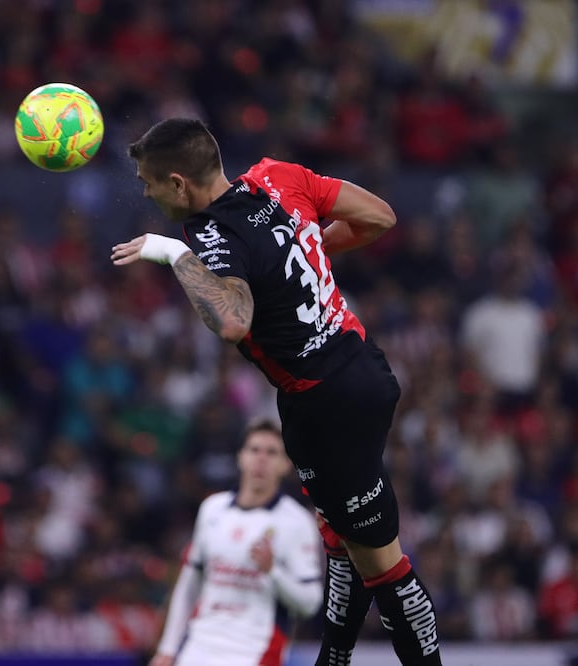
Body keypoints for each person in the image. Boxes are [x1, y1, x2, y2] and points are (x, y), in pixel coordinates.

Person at [113, 118, 443, 665]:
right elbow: (378, 218)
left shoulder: (210, 236)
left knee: (382, 564)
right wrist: (303, 251)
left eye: (149, 183)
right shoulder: (278, 176)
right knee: (340, 539)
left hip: (324, 404)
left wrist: (171, 253)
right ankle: (332, 661)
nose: (145, 193)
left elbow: (234, 323)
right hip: (364, 369)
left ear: (178, 183)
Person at [150, 419, 322, 666]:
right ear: (240, 457)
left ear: (286, 465)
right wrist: (167, 650)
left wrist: (273, 571)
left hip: (254, 650)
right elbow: (189, 584)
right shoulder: (213, 509)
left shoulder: (296, 522)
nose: (261, 459)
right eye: (254, 450)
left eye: (272, 452)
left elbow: (310, 603)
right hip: (199, 646)